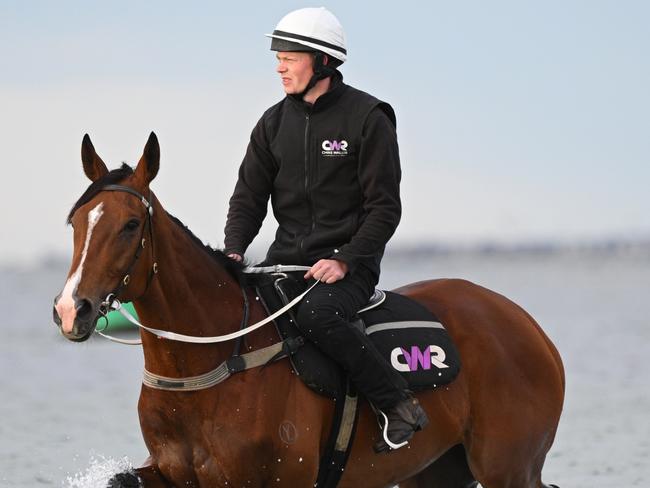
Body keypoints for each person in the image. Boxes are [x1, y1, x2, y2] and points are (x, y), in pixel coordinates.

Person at [223, 7, 428, 452]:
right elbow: (247, 199)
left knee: (317, 314)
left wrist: (345, 260)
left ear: (323, 61)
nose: (279, 65)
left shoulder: (369, 117)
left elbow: (384, 209)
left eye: (290, 56)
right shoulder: (271, 124)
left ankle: (397, 404)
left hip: (347, 267)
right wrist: (235, 251)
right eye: (277, 55)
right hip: (283, 263)